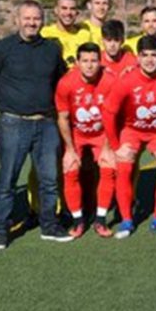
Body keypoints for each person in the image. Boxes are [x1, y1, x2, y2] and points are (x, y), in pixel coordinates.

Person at [0, 0, 70, 250]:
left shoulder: (52, 49)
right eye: (27, 18)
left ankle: (49, 225)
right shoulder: (2, 48)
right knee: (7, 180)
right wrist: (7, 107)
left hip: (46, 124)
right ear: (17, 19)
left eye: (36, 18)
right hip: (13, 124)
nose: (32, 23)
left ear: (42, 20)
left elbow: (60, 81)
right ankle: (0, 230)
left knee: (49, 179)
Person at [104, 36, 156, 239]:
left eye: (154, 55)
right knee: (123, 166)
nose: (150, 60)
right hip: (131, 130)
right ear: (138, 57)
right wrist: (116, 147)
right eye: (145, 55)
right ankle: (126, 220)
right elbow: (108, 113)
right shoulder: (126, 80)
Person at [55, 42, 117, 238]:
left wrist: (108, 147)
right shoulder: (66, 83)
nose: (90, 65)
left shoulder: (109, 81)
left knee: (109, 168)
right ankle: (78, 220)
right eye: (85, 61)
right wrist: (70, 149)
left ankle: (100, 219)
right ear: (78, 63)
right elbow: (63, 118)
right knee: (70, 168)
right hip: (77, 134)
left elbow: (112, 116)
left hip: (102, 133)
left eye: (94, 61)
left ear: (100, 62)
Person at [40, 0, 94, 66]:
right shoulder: (45, 34)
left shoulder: (84, 34)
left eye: (72, 9)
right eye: (64, 8)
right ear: (56, 10)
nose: (68, 12)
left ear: (77, 12)